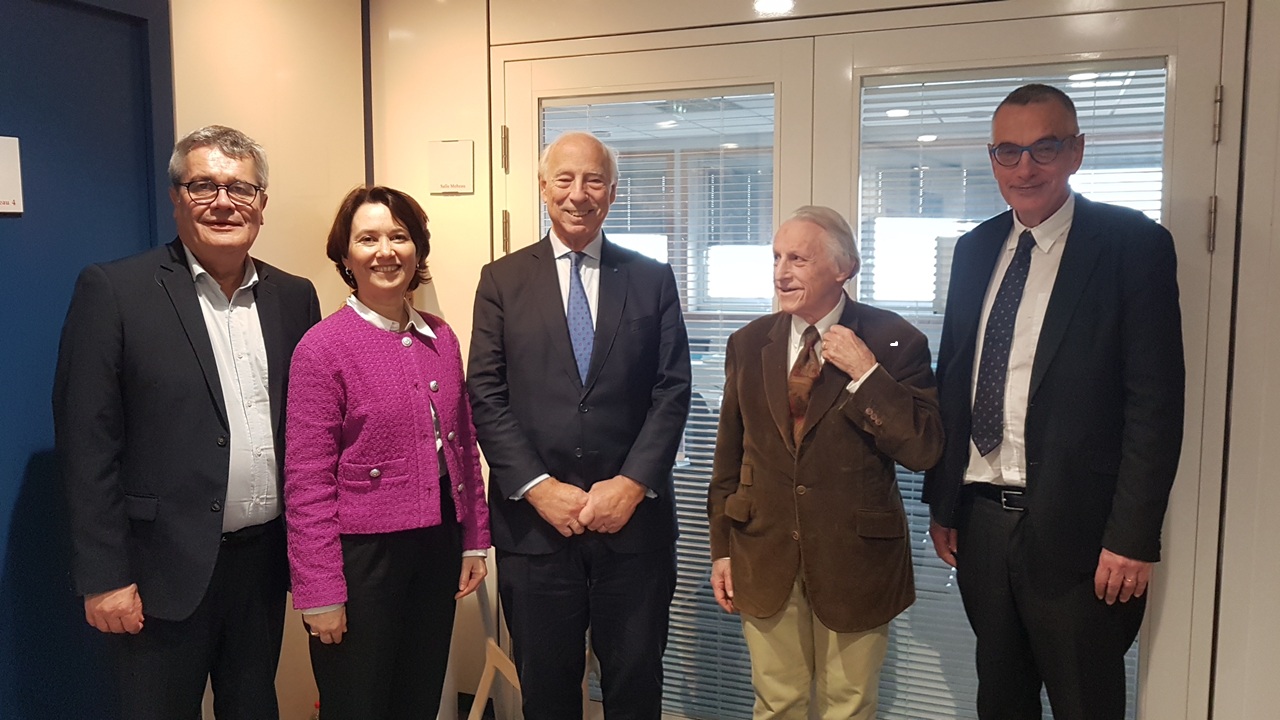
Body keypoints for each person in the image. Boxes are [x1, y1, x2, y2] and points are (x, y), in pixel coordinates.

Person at [922, 84, 1185, 720]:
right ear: (992, 159)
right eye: (1007, 152)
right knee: (1000, 699)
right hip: (982, 523)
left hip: (1085, 535)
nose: (1025, 168)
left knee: (1085, 702)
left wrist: (1132, 537)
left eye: (1044, 147)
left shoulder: (1131, 246)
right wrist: (943, 500)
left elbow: (1155, 402)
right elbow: (955, 376)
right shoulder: (974, 249)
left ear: (1076, 152)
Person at [52, 125, 321, 718]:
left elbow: (306, 431)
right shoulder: (116, 290)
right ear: (175, 196)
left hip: (261, 564)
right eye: (203, 186)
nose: (224, 203)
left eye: (241, 189)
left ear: (262, 203)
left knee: (253, 706)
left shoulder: (295, 297)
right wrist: (103, 574)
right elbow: (86, 442)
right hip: (156, 571)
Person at [467, 131, 692, 719]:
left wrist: (633, 483)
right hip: (536, 535)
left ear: (611, 192)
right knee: (546, 692)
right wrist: (540, 489)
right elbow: (485, 394)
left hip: (634, 530)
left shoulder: (651, 279)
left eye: (593, 180)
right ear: (543, 188)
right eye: (564, 179)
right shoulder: (502, 281)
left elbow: (673, 391)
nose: (578, 194)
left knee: (636, 686)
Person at [707, 206, 943, 719]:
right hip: (763, 553)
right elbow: (728, 457)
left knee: (850, 705)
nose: (780, 272)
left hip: (855, 559)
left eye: (798, 258)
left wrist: (867, 372)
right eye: (776, 257)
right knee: (777, 703)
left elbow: (924, 448)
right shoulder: (749, 343)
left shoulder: (895, 341)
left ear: (845, 268)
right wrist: (721, 548)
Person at [284, 185, 490, 719]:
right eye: (368, 238)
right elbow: (306, 480)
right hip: (361, 562)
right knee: (357, 705)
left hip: (436, 547)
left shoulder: (441, 337)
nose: (385, 251)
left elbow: (463, 447)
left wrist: (473, 540)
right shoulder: (322, 348)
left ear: (417, 249)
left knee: (417, 698)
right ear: (346, 255)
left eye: (399, 236)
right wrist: (320, 591)